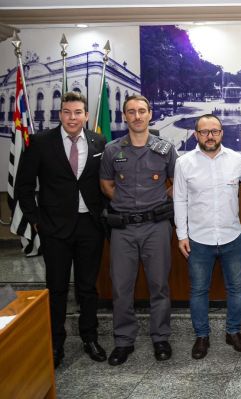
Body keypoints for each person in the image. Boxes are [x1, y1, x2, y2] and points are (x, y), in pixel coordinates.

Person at [15, 91, 107, 368]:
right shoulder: (41, 142)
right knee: (56, 288)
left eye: (78, 112)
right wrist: (36, 220)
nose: (72, 117)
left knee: (88, 287)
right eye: (67, 112)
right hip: (54, 229)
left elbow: (101, 182)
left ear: (86, 116)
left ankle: (89, 337)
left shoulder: (98, 141)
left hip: (90, 226)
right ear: (60, 114)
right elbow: (24, 186)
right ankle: (56, 343)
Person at [100, 95, 177, 366]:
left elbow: (176, 182)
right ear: (125, 116)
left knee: (159, 285)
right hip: (123, 228)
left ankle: (161, 338)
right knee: (121, 287)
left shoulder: (165, 148)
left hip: (156, 226)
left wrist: (157, 202)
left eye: (142, 111)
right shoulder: (112, 149)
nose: (137, 116)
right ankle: (123, 341)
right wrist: (126, 204)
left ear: (149, 114)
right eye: (131, 112)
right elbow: (107, 184)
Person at [173, 114, 241, 359]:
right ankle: (202, 336)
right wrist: (182, 235)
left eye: (214, 131)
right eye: (204, 132)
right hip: (198, 239)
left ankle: (233, 332)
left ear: (222, 133)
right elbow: (179, 199)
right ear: (196, 134)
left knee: (237, 288)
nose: (210, 136)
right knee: (199, 290)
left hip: (232, 236)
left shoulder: (236, 160)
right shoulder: (184, 163)